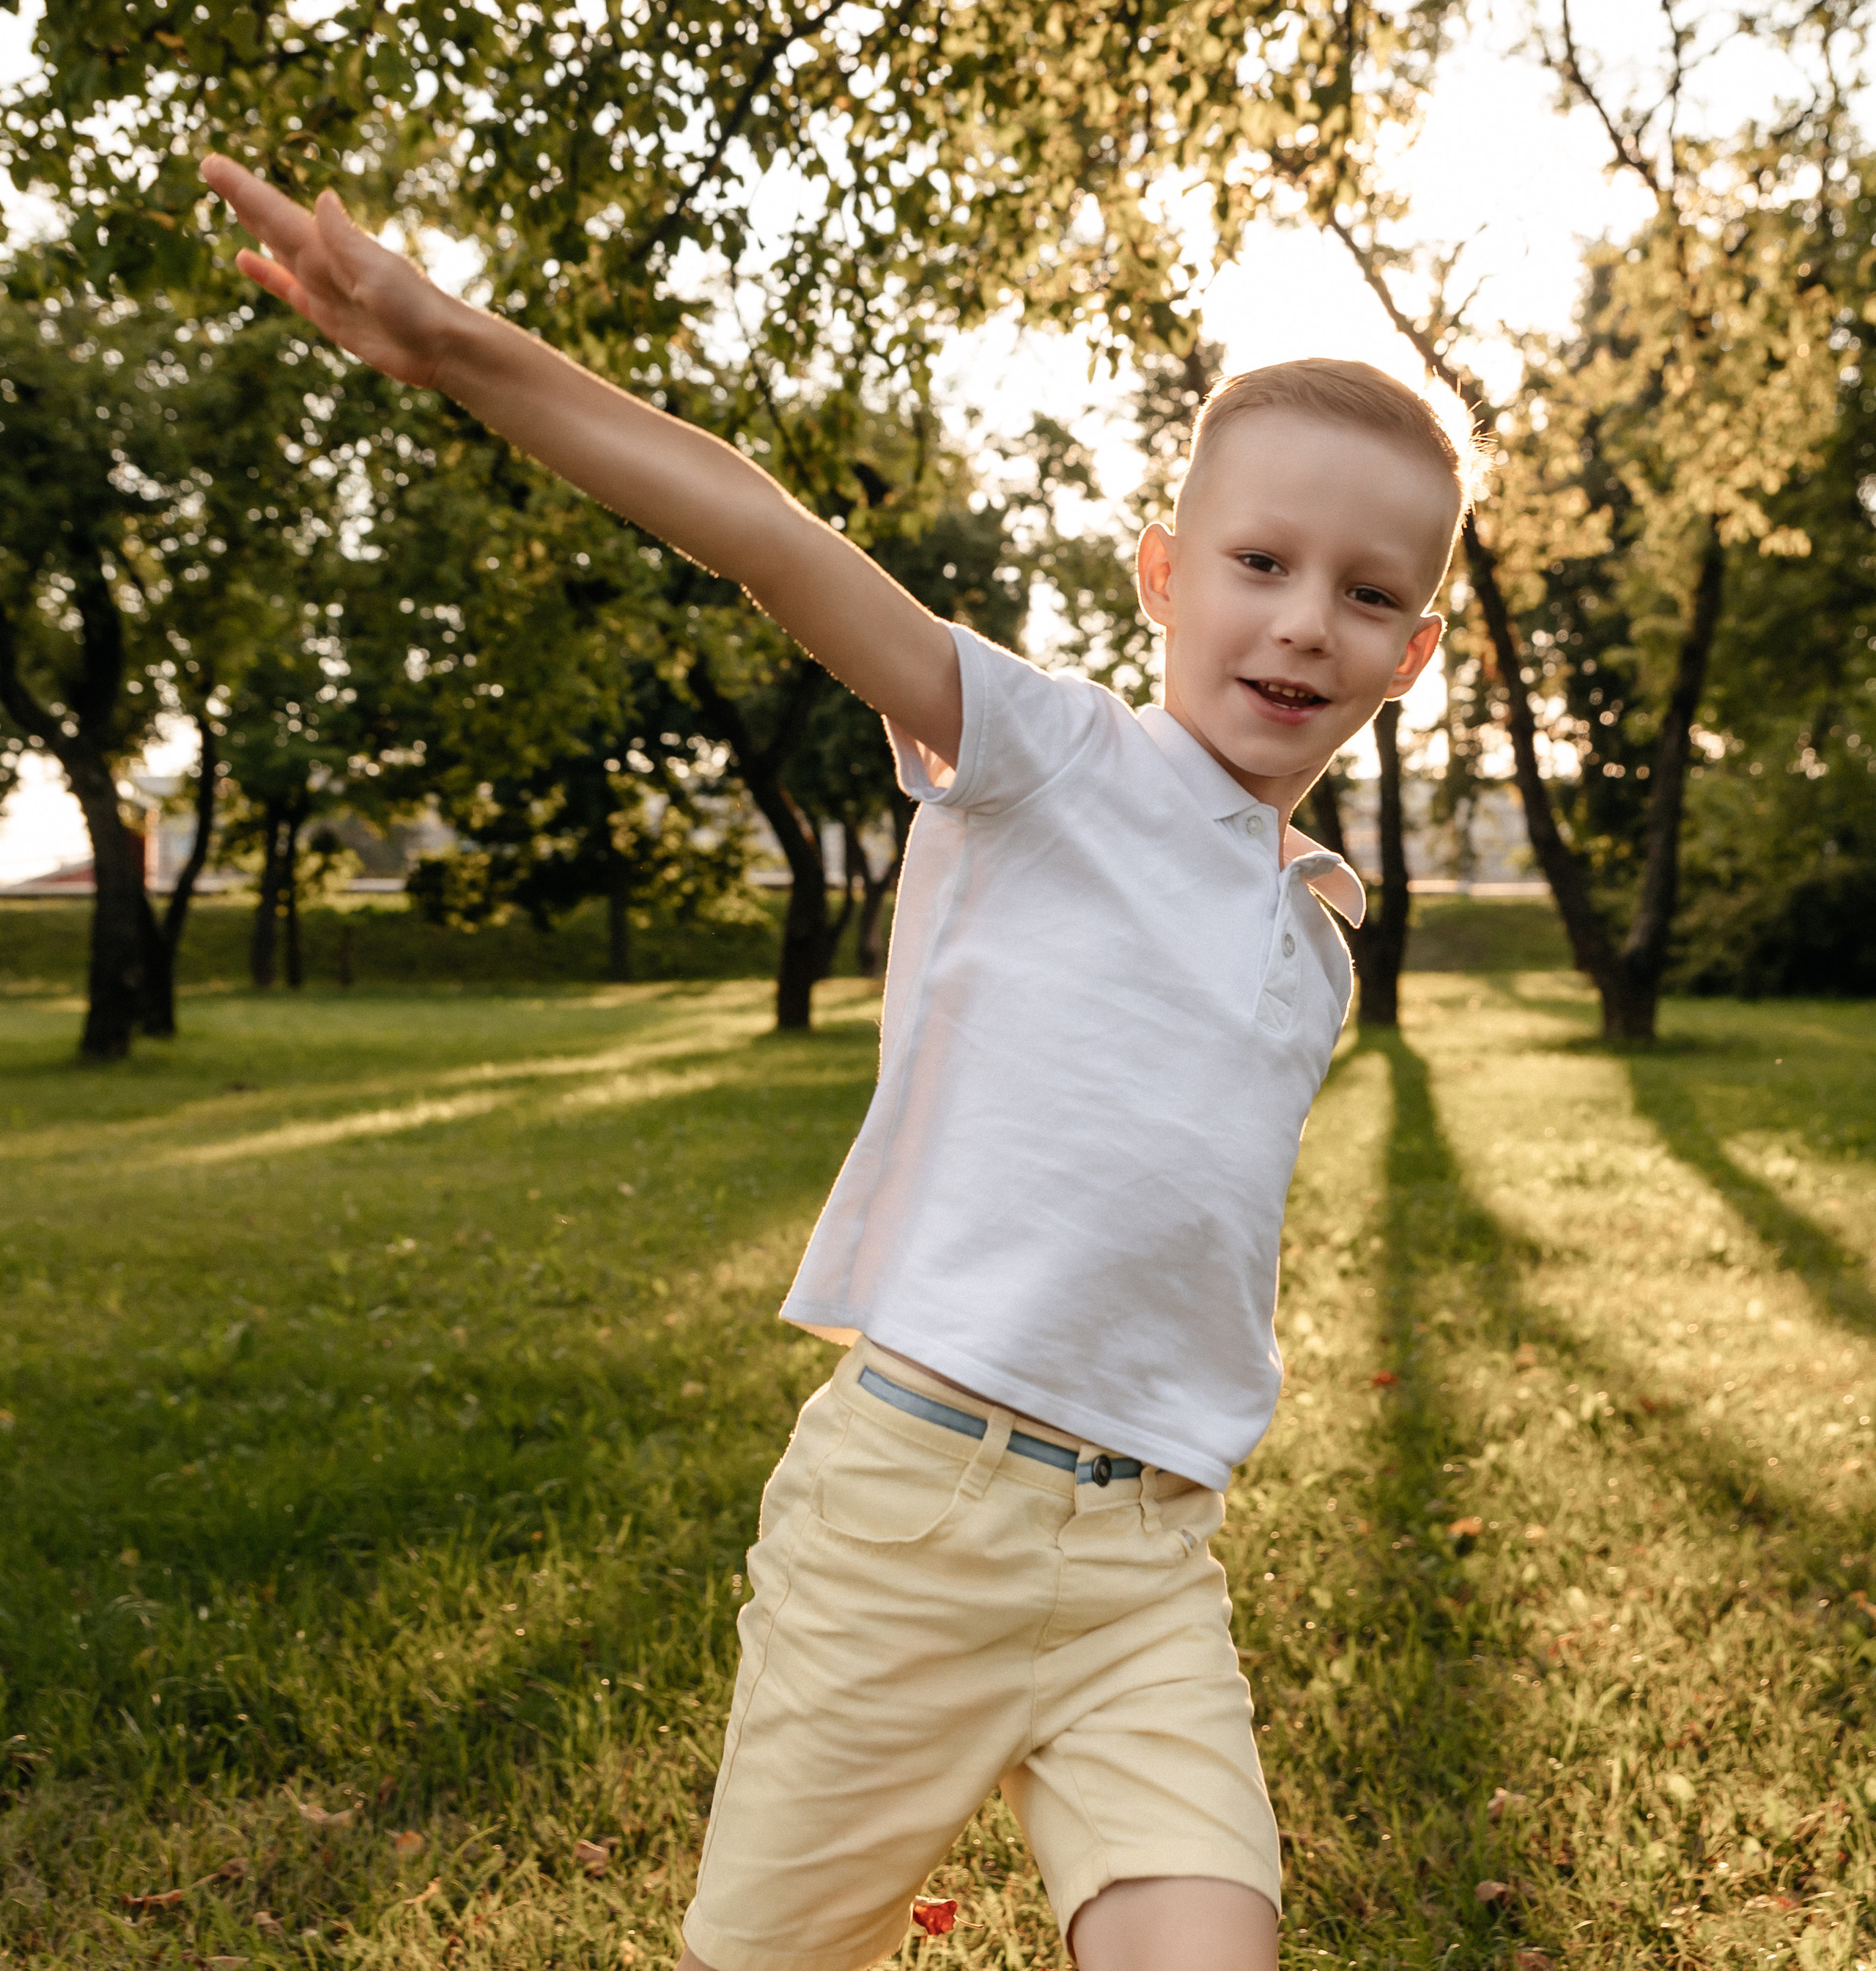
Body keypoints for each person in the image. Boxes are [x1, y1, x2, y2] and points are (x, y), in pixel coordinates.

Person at [199, 155, 1470, 1971]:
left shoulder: (1311, 936)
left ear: (1409, 655)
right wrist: (455, 345)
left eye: (1362, 594)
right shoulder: (1047, 758)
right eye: (1258, 564)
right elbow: (766, 536)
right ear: (1159, 572)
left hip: (1141, 1571)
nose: (1300, 622)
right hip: (909, 1528)